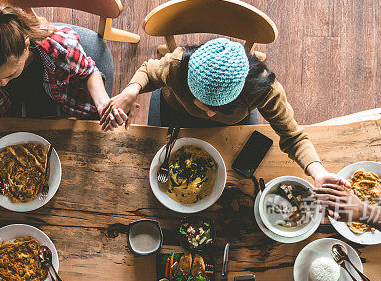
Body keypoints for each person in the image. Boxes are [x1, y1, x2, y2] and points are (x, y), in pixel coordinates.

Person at [107, 38, 346, 187]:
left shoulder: (265, 88)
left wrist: (318, 171)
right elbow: (149, 70)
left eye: (216, 107)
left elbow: (293, 136)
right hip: (174, 113)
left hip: (230, 128)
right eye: (198, 99)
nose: (207, 114)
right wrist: (131, 91)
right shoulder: (178, 63)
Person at [0, 5, 119, 122]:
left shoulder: (63, 49)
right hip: (15, 104)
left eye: (9, 75)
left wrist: (102, 103)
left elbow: (88, 72)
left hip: (65, 99)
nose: (0, 85)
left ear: (26, 46)